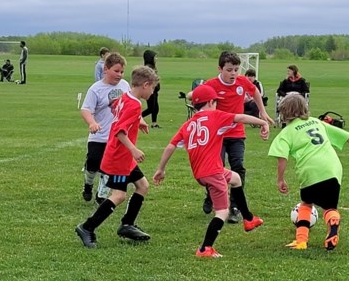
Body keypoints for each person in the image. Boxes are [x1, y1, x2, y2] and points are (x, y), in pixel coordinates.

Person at [152, 84, 270, 258]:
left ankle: (248, 219)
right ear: (211, 102)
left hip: (201, 173)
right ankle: (205, 248)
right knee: (222, 212)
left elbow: (170, 146)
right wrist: (263, 122)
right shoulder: (216, 115)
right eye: (216, 102)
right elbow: (241, 118)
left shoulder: (187, 125)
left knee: (236, 179)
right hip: (213, 173)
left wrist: (161, 169)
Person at [269, 92, 349, 251]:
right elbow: (348, 136)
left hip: (311, 171)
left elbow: (282, 158)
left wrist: (280, 179)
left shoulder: (287, 132)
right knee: (330, 207)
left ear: (284, 113)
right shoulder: (317, 122)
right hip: (333, 169)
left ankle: (301, 241)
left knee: (306, 204)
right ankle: (333, 221)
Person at [75, 65, 159, 248]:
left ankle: (127, 225)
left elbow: (117, 111)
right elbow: (120, 132)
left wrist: (139, 120)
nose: (153, 92)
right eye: (152, 88)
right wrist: (134, 150)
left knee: (143, 186)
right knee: (119, 195)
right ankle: (87, 227)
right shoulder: (135, 104)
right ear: (145, 85)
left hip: (123, 156)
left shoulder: (125, 96)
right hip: (119, 156)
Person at [199, 51, 274, 222]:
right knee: (216, 167)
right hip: (217, 135)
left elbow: (254, 92)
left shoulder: (242, 82)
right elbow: (200, 101)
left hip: (237, 133)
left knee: (238, 167)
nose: (233, 73)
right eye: (229, 70)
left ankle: (234, 206)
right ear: (220, 68)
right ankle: (211, 196)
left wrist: (262, 111)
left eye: (236, 70)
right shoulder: (211, 85)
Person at [79, 52, 130, 204]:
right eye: (116, 71)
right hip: (99, 135)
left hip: (116, 136)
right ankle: (88, 185)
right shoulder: (96, 89)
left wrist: (139, 120)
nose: (119, 75)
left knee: (109, 166)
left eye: (122, 72)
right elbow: (86, 109)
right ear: (105, 69)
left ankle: (101, 195)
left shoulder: (125, 86)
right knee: (93, 163)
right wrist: (92, 123)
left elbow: (129, 106)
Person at [140, 49, 162, 128]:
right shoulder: (148, 68)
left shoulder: (153, 67)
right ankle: (137, 117)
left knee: (156, 107)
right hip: (150, 91)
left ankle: (154, 123)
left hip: (155, 91)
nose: (156, 59)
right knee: (151, 108)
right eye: (154, 57)